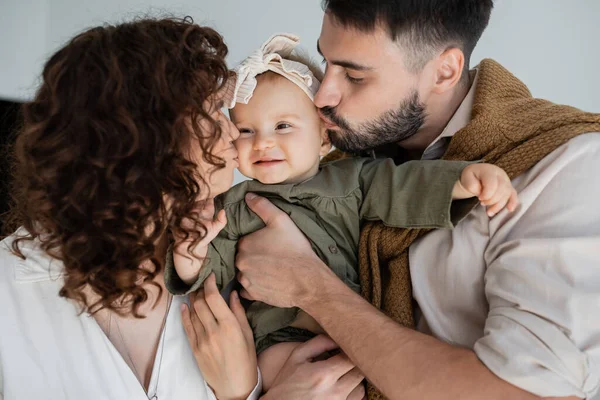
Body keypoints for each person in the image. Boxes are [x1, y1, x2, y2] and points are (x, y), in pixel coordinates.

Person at [230, 1, 600, 399]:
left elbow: (523, 393)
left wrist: (314, 290)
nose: (322, 95)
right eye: (326, 63)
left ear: (444, 71)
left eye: (354, 75)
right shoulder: (331, 165)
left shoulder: (565, 166)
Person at [0, 17, 366, 400]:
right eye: (210, 113)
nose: (232, 133)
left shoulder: (244, 261)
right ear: (144, 136)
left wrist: (244, 393)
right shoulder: (8, 292)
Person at [166, 33, 519, 390]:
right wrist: (188, 256)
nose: (264, 142)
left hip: (352, 328)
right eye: (245, 130)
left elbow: (405, 187)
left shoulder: (353, 177)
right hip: (277, 336)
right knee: (280, 373)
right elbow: (212, 273)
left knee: (359, 380)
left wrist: (463, 179)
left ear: (324, 137)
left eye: (283, 126)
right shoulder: (234, 204)